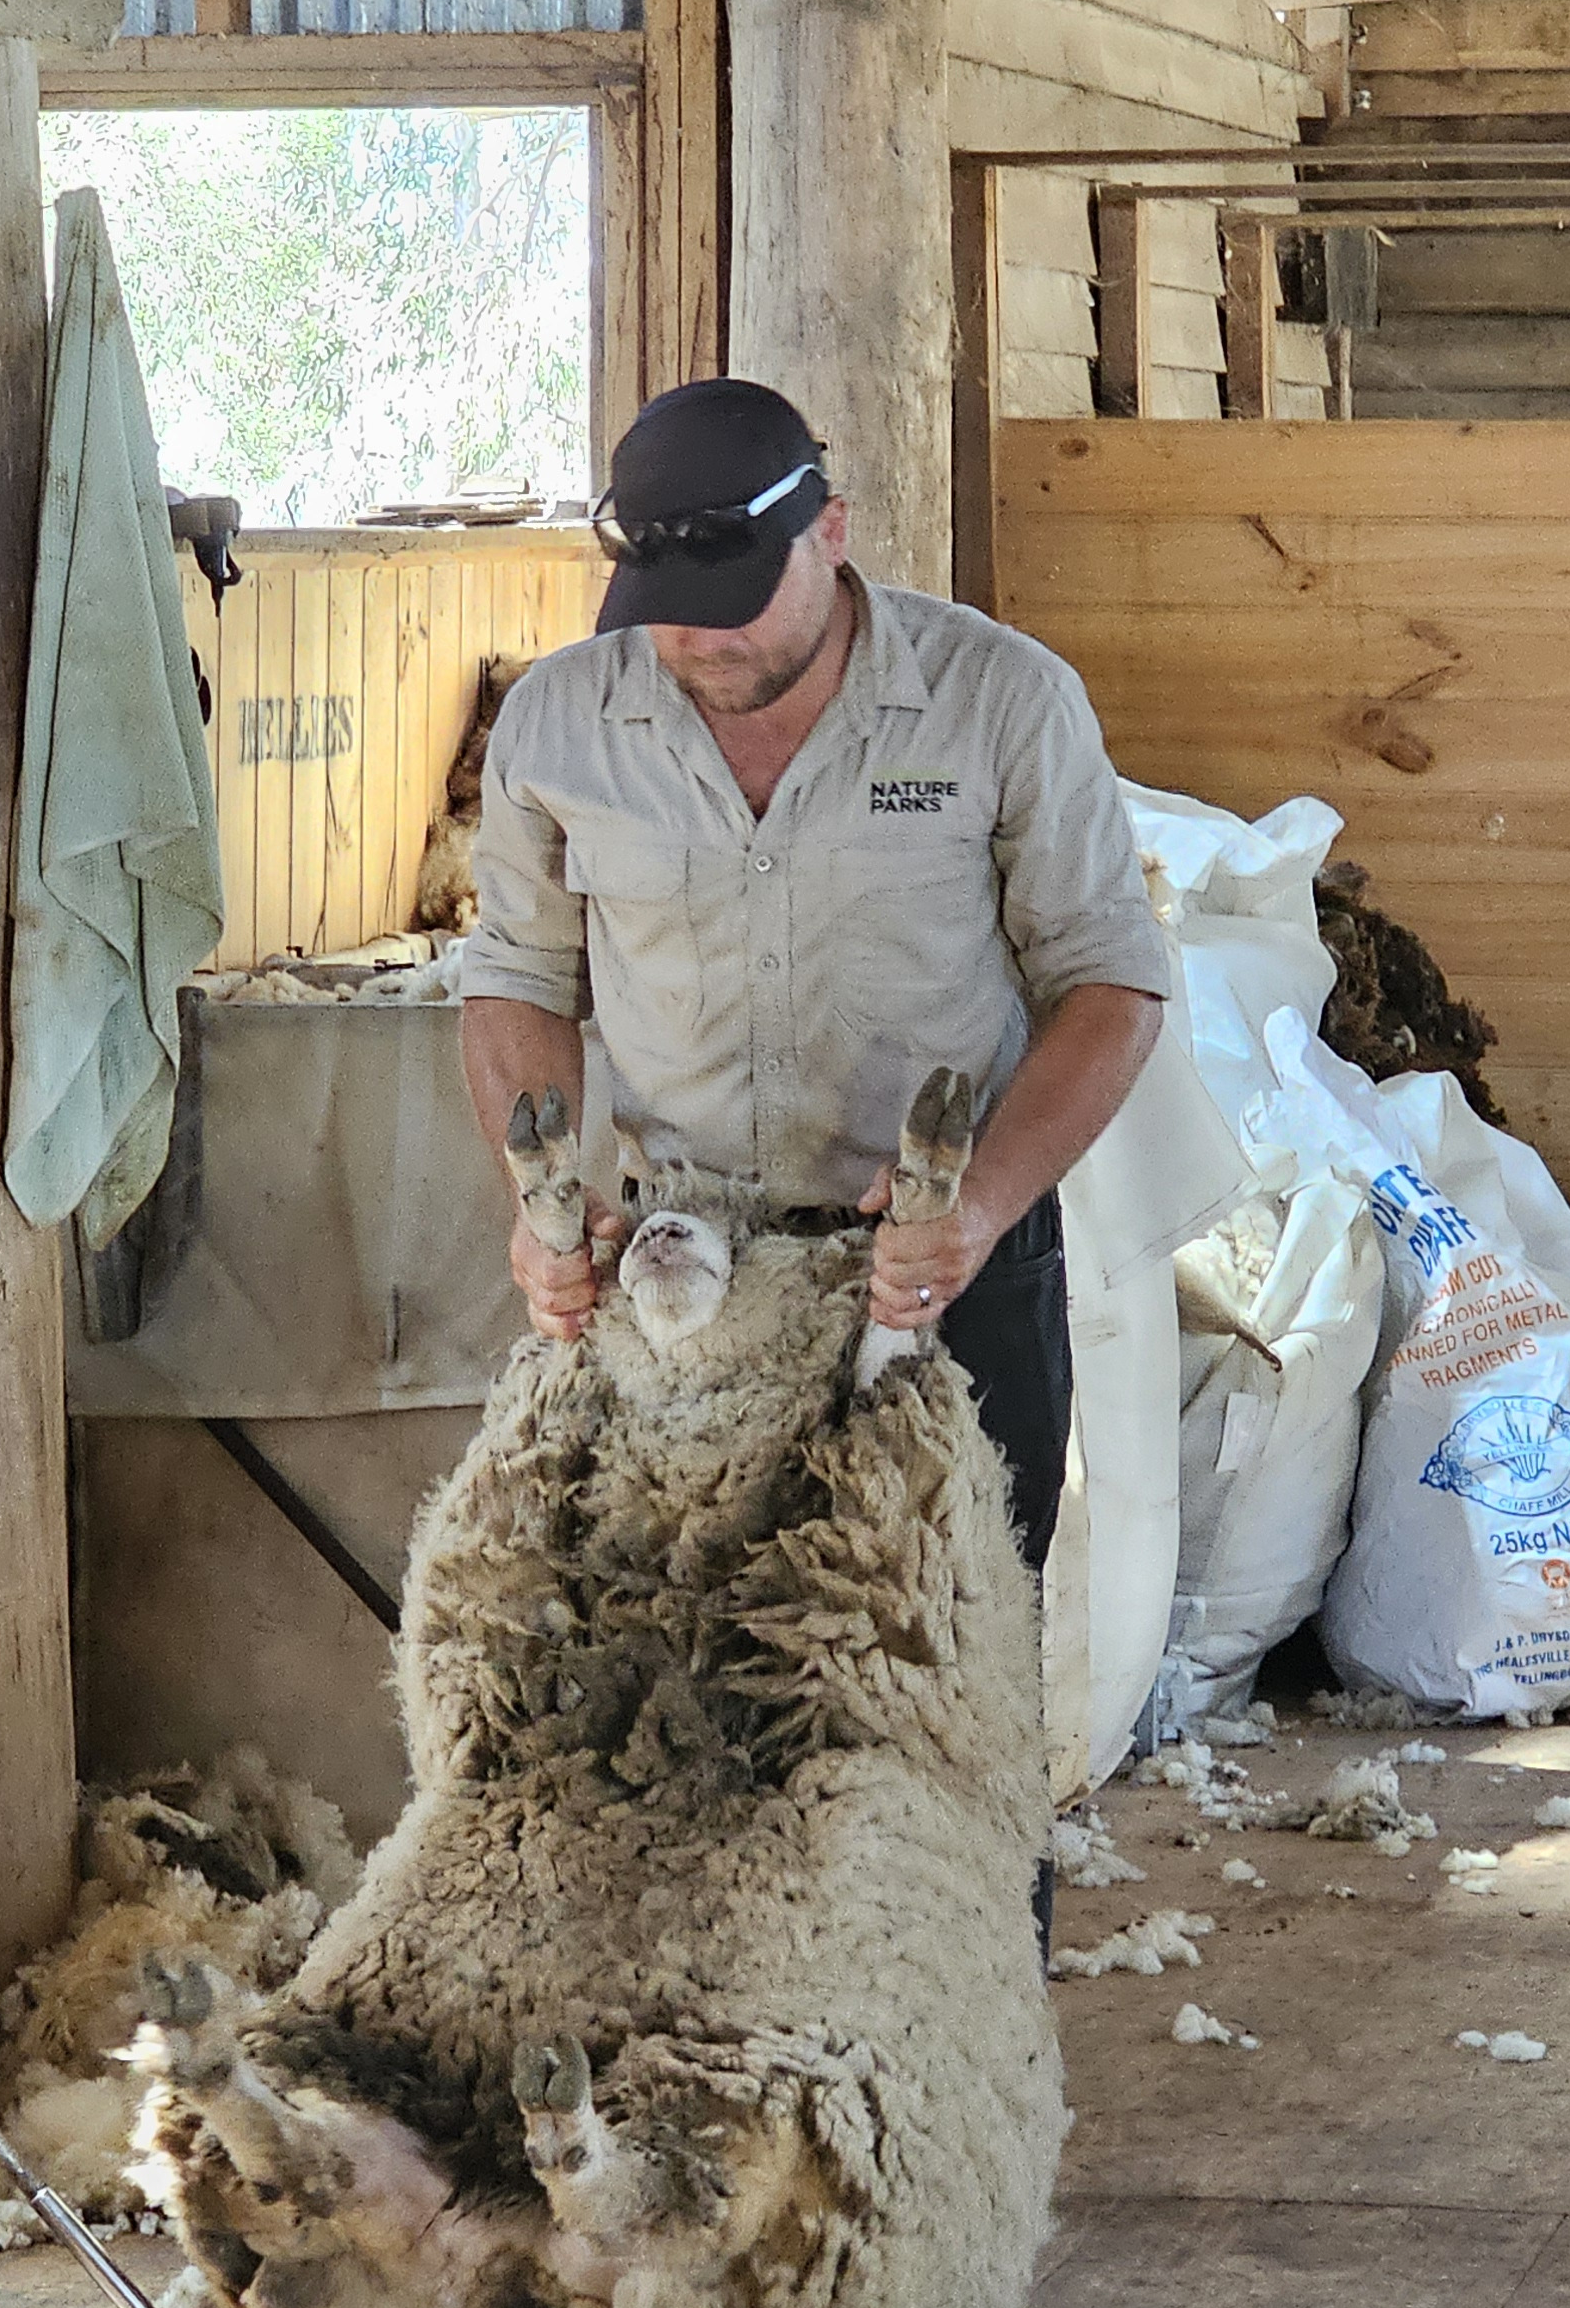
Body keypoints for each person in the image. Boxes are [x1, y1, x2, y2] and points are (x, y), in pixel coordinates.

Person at [456, 377, 1172, 1573]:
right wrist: (539, 1208)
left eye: (736, 599)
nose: (701, 638)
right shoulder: (558, 723)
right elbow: (519, 978)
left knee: (937, 1645)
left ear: (829, 533)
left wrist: (981, 1208)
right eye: (665, 606)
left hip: (940, 1269)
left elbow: (1110, 985)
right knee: (679, 1654)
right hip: (678, 1267)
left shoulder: (999, 702)